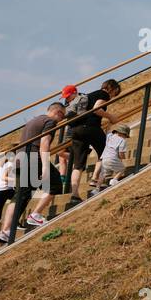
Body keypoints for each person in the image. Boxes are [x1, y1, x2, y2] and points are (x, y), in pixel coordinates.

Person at [0, 102, 65, 243]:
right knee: (56, 184)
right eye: (62, 115)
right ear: (57, 112)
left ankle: (5, 230)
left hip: (21, 160)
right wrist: (45, 166)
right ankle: (35, 215)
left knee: (19, 196)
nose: (61, 119)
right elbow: (44, 143)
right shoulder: (50, 122)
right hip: (34, 159)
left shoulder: (34, 120)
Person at [66, 78, 122, 206]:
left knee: (78, 165)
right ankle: (98, 182)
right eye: (115, 93)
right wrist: (111, 116)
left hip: (76, 130)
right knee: (107, 151)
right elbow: (97, 109)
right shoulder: (103, 94)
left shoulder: (89, 95)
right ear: (112, 88)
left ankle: (74, 195)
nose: (113, 97)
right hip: (90, 127)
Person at [91, 125, 131, 193]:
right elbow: (121, 153)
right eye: (125, 136)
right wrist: (124, 158)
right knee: (122, 169)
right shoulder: (122, 141)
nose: (125, 137)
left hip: (104, 158)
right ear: (123, 134)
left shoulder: (110, 136)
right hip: (113, 158)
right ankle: (114, 180)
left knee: (102, 174)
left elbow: (107, 132)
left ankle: (96, 189)